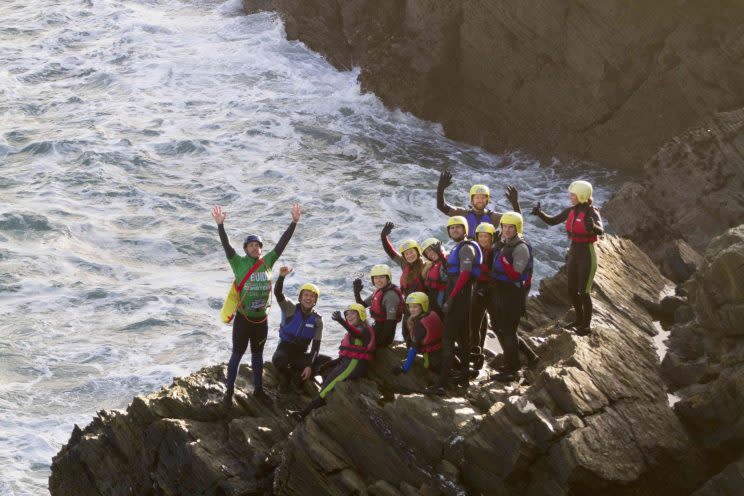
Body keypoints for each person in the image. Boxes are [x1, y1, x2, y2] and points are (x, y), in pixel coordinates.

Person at [211, 203, 301, 407]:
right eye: (251, 245)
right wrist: (220, 225)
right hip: (244, 319)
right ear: (245, 249)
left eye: (258, 245)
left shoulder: (268, 261)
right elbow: (226, 245)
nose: (256, 247)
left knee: (258, 356)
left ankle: (258, 390)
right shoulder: (238, 263)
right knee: (236, 354)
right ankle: (229, 392)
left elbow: (282, 244)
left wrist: (294, 222)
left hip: (261, 320)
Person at [531, 181, 603, 336]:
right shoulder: (571, 210)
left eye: (573, 194)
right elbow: (553, 221)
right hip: (574, 253)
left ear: (582, 195)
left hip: (587, 255)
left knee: (584, 292)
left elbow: (600, 230)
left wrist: (593, 227)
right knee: (571, 290)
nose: (570, 197)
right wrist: (540, 213)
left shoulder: (592, 212)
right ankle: (578, 319)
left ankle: (586, 326)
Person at [425, 216, 482, 395]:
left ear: (465, 230)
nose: (455, 230)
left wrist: (451, 299)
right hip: (463, 298)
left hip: (460, 297)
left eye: (458, 227)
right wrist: (442, 257)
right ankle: (464, 376)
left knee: (448, 340)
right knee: (464, 339)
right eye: (452, 228)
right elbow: (453, 270)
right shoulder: (459, 247)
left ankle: (442, 383)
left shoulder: (466, 248)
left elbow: (464, 275)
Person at [471, 222, 539, 370]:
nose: (483, 239)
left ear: (492, 237)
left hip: (493, 293)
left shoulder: (495, 250)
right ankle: (525, 357)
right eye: (480, 236)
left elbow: (496, 271)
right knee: (492, 327)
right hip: (486, 291)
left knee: (504, 329)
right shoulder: (485, 249)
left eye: (486, 236)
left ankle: (514, 363)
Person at [295, 303, 376, 419]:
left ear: (361, 315)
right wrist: (328, 364)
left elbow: (357, 334)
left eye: (353, 313)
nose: (349, 316)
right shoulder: (353, 330)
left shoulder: (363, 330)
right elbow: (346, 354)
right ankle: (319, 404)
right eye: (347, 314)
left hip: (354, 365)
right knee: (327, 376)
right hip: (347, 362)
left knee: (329, 386)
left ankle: (303, 414)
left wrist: (341, 321)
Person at [490, 212, 535, 382]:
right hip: (502, 291)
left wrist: (505, 263)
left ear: (518, 228)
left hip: (513, 293)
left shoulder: (521, 247)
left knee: (508, 331)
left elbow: (517, 274)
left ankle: (513, 369)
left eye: (511, 227)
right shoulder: (505, 243)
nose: (506, 230)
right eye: (504, 227)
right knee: (503, 328)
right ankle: (515, 361)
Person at [271, 266, 326, 394]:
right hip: (285, 349)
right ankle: (288, 378)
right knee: (279, 360)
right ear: (300, 297)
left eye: (312, 296)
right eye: (306, 295)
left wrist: (309, 366)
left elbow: (315, 347)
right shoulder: (290, 308)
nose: (308, 298)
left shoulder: (318, 320)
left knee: (327, 362)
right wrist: (281, 276)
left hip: (300, 353)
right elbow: (278, 293)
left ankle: (322, 388)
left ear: (315, 301)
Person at [380, 222, 430, 345]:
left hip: (422, 306)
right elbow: (391, 252)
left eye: (412, 252)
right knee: (405, 333)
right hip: (408, 305)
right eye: (407, 253)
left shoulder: (426, 266)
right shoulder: (404, 263)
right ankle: (410, 356)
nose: (410, 255)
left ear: (417, 252)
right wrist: (383, 237)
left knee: (419, 333)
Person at [436, 169, 521, 239]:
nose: (480, 200)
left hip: (486, 253)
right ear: (472, 200)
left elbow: (517, 220)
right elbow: (441, 207)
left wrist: (515, 203)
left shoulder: (494, 217)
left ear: (487, 201)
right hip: (468, 249)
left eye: (483, 198)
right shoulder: (463, 213)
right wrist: (440, 189)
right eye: (477, 198)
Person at [353, 264, 404, 348]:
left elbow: (390, 324)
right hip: (377, 327)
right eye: (376, 278)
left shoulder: (391, 296)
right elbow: (361, 306)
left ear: (388, 278)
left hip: (385, 334)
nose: (378, 280)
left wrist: (378, 343)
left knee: (360, 344)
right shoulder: (379, 291)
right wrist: (357, 293)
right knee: (354, 337)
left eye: (381, 277)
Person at [392, 292, 444, 375]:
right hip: (441, 350)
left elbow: (414, 348)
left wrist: (404, 368)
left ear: (423, 306)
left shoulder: (420, 324)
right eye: (410, 307)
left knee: (428, 368)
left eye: (415, 307)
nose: (412, 309)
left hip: (432, 357)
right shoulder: (432, 313)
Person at [421, 237, 448, 316]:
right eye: (427, 252)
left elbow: (447, 273)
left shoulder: (447, 259)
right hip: (434, 300)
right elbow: (424, 278)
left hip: (443, 300)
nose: (429, 254)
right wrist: (426, 268)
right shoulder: (432, 265)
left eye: (430, 250)